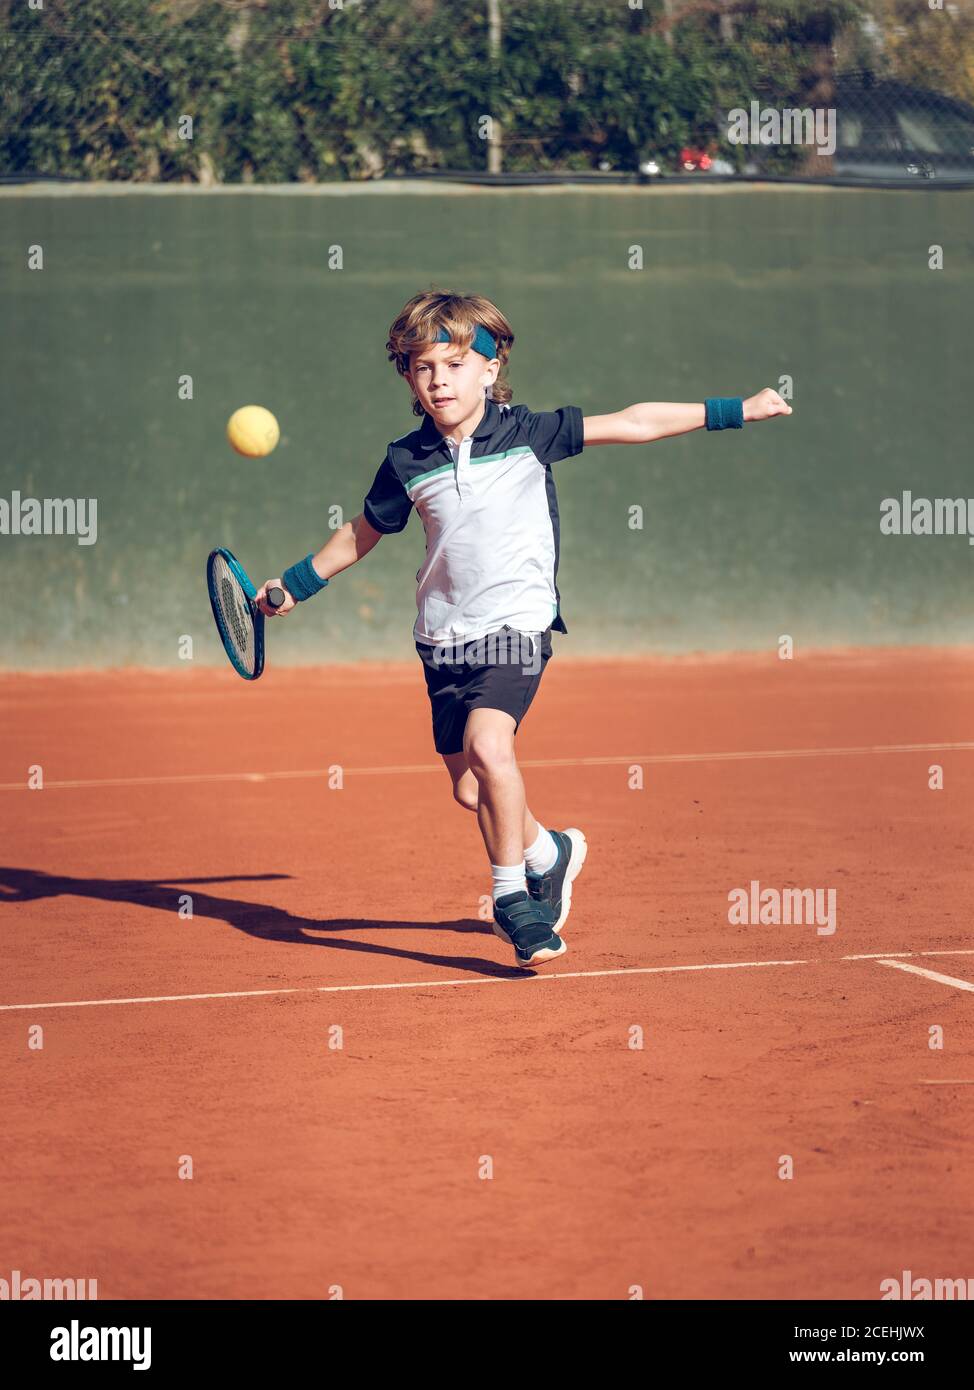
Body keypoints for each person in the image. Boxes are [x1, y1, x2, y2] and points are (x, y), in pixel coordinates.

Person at [257, 290, 792, 967]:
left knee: (490, 745)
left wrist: (736, 410)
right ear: (407, 378)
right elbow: (362, 533)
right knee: (470, 788)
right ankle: (549, 850)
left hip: (517, 623)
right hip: (441, 640)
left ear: (489, 368)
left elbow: (633, 422)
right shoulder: (406, 459)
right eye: (422, 368)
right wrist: (295, 586)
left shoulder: (529, 433)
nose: (439, 381)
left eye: (453, 365)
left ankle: (513, 901)